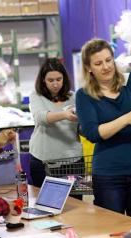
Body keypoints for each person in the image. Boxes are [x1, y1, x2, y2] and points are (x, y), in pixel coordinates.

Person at [75, 39, 131, 219]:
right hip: (108, 175)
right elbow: (93, 133)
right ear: (88, 68)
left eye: (108, 60)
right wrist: (127, 118)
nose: (105, 67)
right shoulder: (84, 95)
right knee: (112, 230)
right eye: (98, 63)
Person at [29, 58, 83, 188]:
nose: (55, 84)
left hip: (72, 160)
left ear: (64, 78)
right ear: (43, 80)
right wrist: (64, 114)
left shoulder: (74, 97)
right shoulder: (36, 96)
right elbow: (40, 118)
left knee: (75, 204)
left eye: (59, 79)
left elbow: (80, 128)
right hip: (43, 160)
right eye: (50, 80)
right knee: (46, 204)